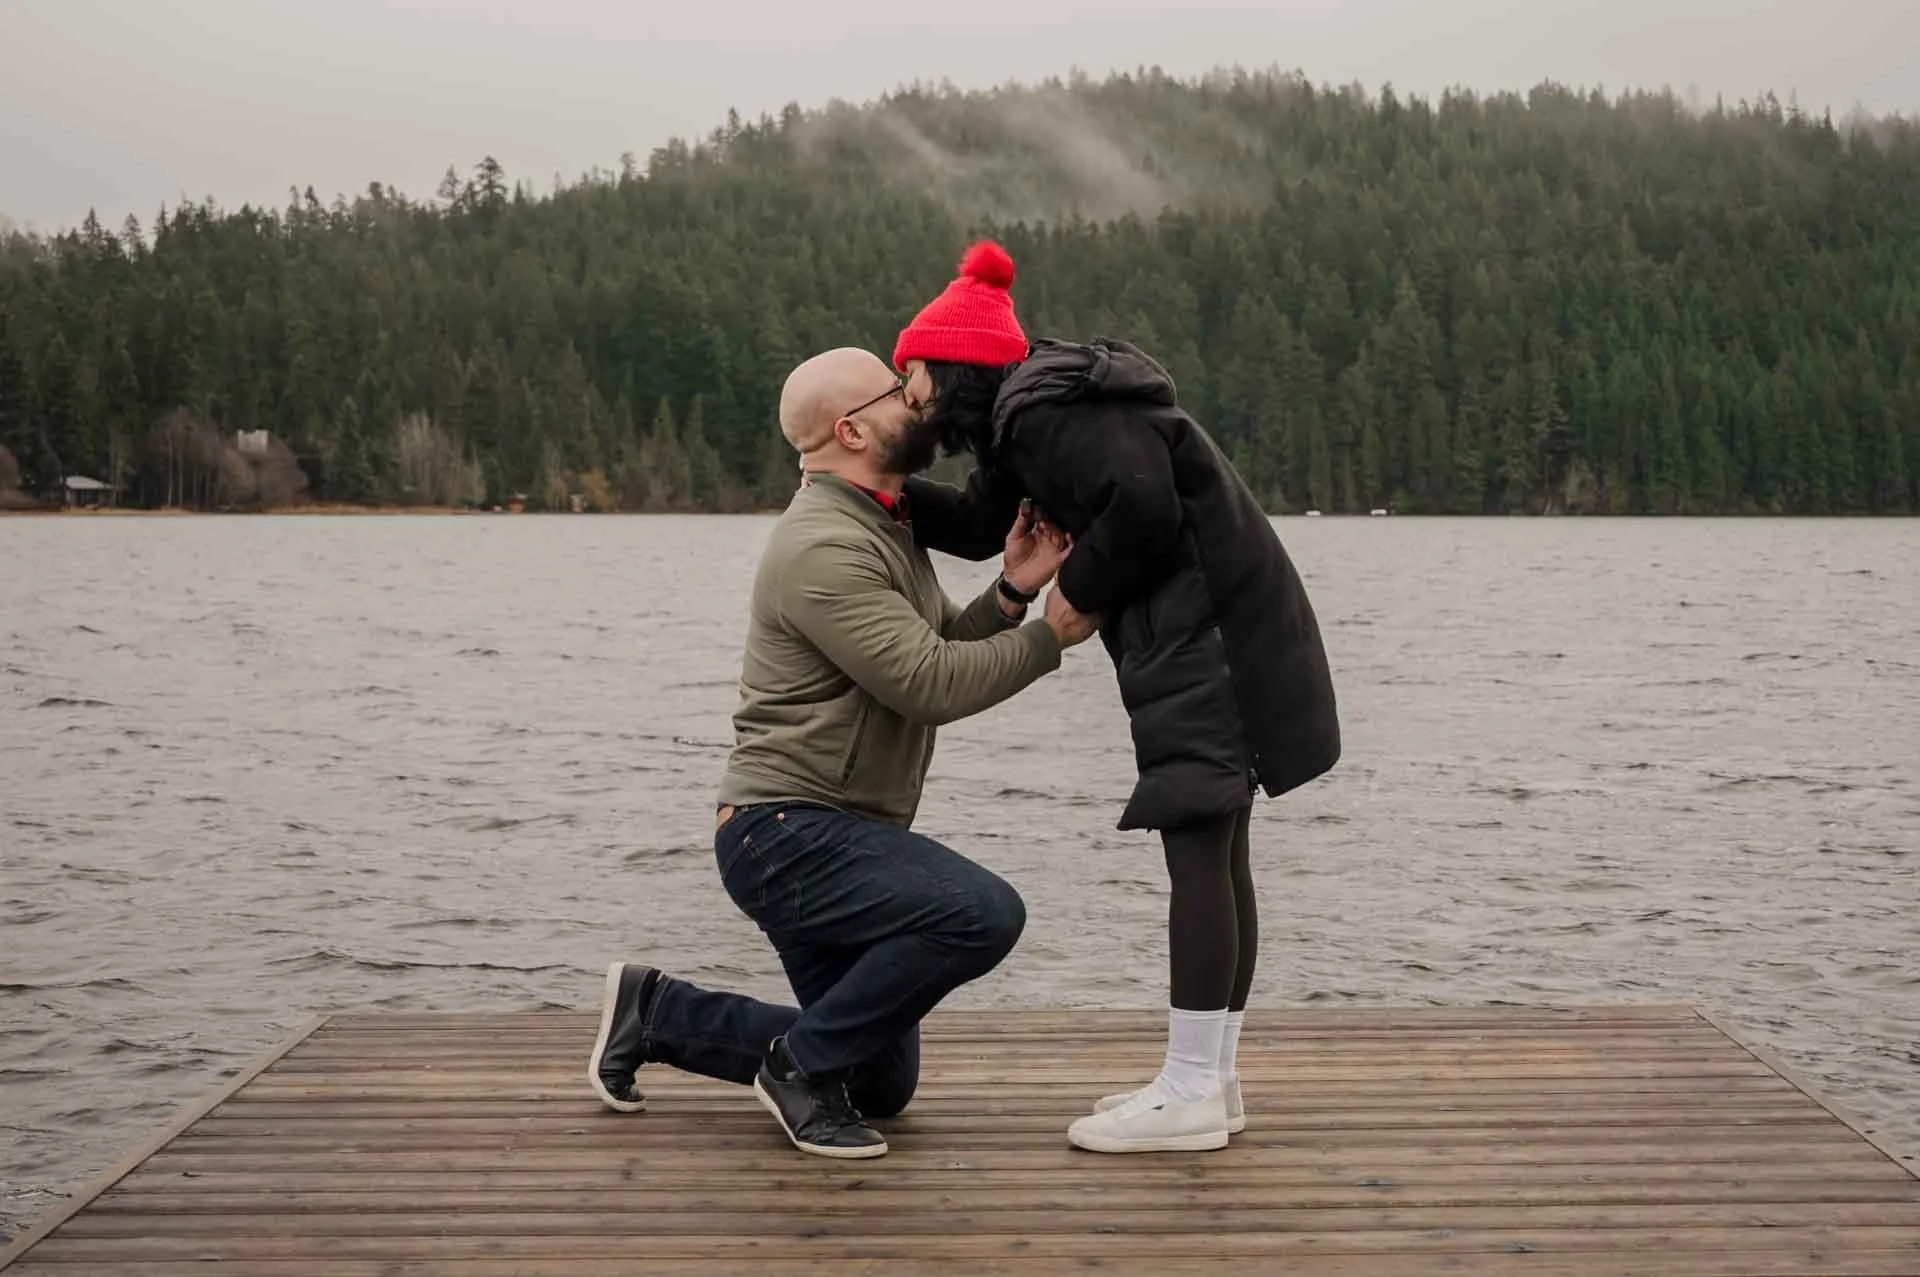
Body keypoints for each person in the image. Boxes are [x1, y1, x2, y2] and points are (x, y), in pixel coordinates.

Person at [588, 346, 1098, 1160]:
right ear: (853, 429)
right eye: (902, 392)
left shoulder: (880, 522)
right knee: (983, 912)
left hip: (830, 832)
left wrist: (1011, 593)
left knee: (880, 1084)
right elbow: (928, 683)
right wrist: (1047, 640)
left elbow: (928, 647)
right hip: (786, 834)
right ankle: (795, 1069)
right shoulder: (824, 545)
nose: (920, 401)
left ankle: (658, 1013)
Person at [892, 241, 1341, 1154]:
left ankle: (1188, 1093)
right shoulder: (1028, 422)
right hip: (1215, 624)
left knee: (1198, 838)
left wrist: (1075, 597)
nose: (910, 395)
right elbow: (985, 526)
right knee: (1218, 843)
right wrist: (881, 494)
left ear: (956, 371)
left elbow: (1142, 508)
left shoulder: (1050, 415)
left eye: (916, 376)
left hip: (1209, 631)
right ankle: (1210, 1079)